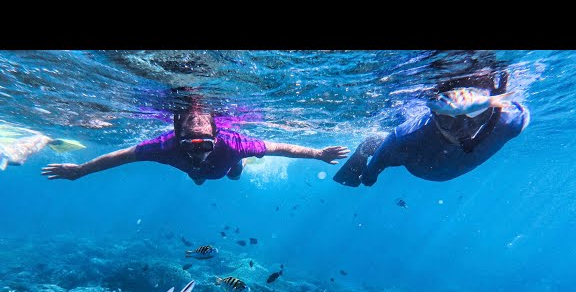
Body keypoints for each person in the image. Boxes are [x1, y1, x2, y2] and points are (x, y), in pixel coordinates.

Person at [41, 101, 349, 184]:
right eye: (191, 145)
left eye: (205, 144)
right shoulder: (165, 146)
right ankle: (201, 177)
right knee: (198, 176)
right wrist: (80, 170)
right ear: (178, 137)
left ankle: (236, 168)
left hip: (228, 164)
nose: (199, 150)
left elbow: (280, 147)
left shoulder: (233, 143)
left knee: (234, 173)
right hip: (197, 173)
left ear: (216, 135)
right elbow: (120, 157)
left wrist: (318, 154)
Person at [332, 70, 529, 187]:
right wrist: (367, 176)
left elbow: (520, 111)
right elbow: (369, 175)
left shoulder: (507, 122)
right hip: (416, 165)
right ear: (434, 115)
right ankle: (363, 148)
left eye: (477, 115)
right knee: (377, 140)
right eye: (449, 119)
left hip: (427, 166)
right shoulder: (404, 139)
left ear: (490, 112)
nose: (463, 128)